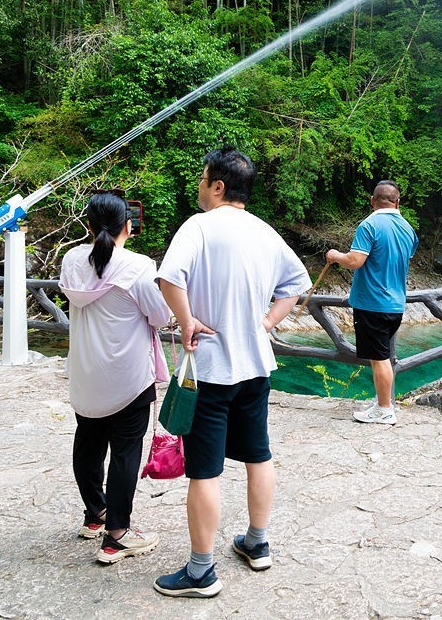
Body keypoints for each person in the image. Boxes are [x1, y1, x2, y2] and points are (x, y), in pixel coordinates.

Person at [153, 146, 310, 599]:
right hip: (255, 368)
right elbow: (296, 285)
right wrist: (264, 325)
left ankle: (201, 572)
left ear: (217, 186)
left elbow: (169, 278)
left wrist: (187, 323)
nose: (199, 187)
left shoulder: (199, 226)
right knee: (258, 455)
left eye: (203, 180)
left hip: (211, 371)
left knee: (205, 471)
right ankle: (257, 543)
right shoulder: (265, 232)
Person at [58, 192, 172, 565]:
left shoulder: (72, 260)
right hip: (128, 375)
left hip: (85, 371)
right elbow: (159, 316)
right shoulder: (137, 266)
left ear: (88, 226)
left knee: (88, 442)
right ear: (128, 225)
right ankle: (118, 535)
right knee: (125, 450)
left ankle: (96, 515)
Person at [325, 180, 418, 426]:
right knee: (383, 355)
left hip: (372, 304)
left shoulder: (369, 225)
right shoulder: (408, 229)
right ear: (398, 202)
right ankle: (383, 403)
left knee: (379, 358)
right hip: (396, 304)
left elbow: (355, 260)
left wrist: (335, 256)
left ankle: (384, 409)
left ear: (372, 201)